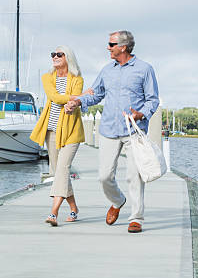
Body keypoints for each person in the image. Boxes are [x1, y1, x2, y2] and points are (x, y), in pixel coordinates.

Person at [67, 30, 159, 233]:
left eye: (111, 44)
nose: (107, 48)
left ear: (123, 47)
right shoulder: (107, 70)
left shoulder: (144, 69)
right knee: (104, 176)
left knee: (134, 176)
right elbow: (95, 95)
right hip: (108, 129)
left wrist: (141, 114)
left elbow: (153, 99)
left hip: (133, 130)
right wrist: (78, 101)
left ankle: (136, 218)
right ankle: (117, 201)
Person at [30, 45, 87, 227]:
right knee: (59, 172)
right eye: (52, 54)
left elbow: (75, 101)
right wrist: (79, 96)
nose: (54, 57)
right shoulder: (47, 78)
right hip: (51, 130)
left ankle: (53, 213)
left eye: (59, 54)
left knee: (62, 169)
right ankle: (74, 208)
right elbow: (54, 97)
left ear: (68, 58)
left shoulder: (77, 79)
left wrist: (78, 97)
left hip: (71, 130)